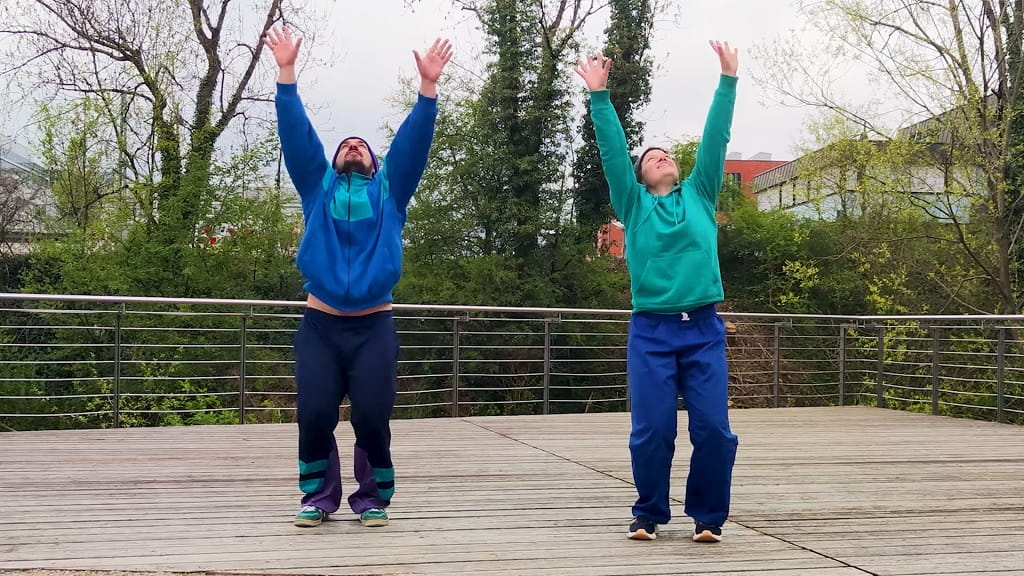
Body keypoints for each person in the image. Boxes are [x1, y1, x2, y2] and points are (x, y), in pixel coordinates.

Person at [263, 26, 452, 528]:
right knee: (316, 413)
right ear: (332, 162)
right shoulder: (317, 189)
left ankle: (372, 499)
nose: (351, 147)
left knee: (371, 416)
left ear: (374, 163)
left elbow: (413, 145)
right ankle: (316, 498)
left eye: (361, 146)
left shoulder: (391, 193)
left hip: (374, 327)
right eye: (344, 144)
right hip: (320, 325)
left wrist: (427, 89)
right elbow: (297, 137)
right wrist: (286, 74)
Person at [574, 41, 740, 543]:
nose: (660, 156)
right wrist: (599, 98)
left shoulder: (700, 192)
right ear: (643, 178)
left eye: (665, 153)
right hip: (651, 331)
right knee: (652, 431)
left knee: (713, 430)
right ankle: (647, 512)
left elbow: (715, 137)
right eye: (650, 157)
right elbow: (611, 156)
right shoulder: (634, 204)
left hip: (704, 328)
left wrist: (727, 80)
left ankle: (707, 518)